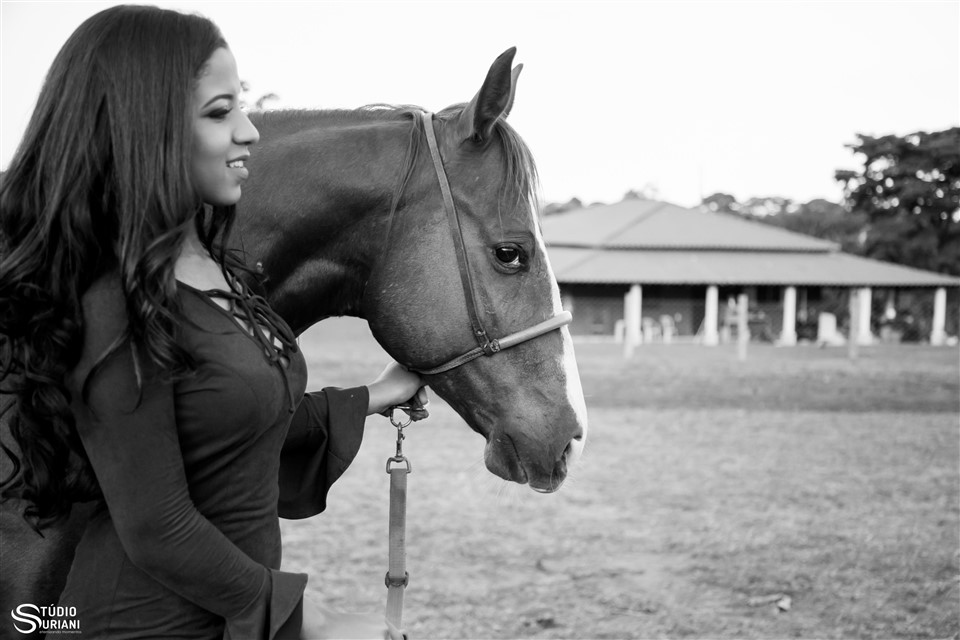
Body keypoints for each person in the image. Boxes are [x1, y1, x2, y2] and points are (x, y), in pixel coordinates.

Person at [0, 5, 422, 638]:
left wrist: (376, 394)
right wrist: (308, 618)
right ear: (148, 128)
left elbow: (233, 414)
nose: (250, 131)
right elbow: (156, 526)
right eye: (221, 112)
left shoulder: (211, 266)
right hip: (140, 623)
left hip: (221, 616)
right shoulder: (113, 299)